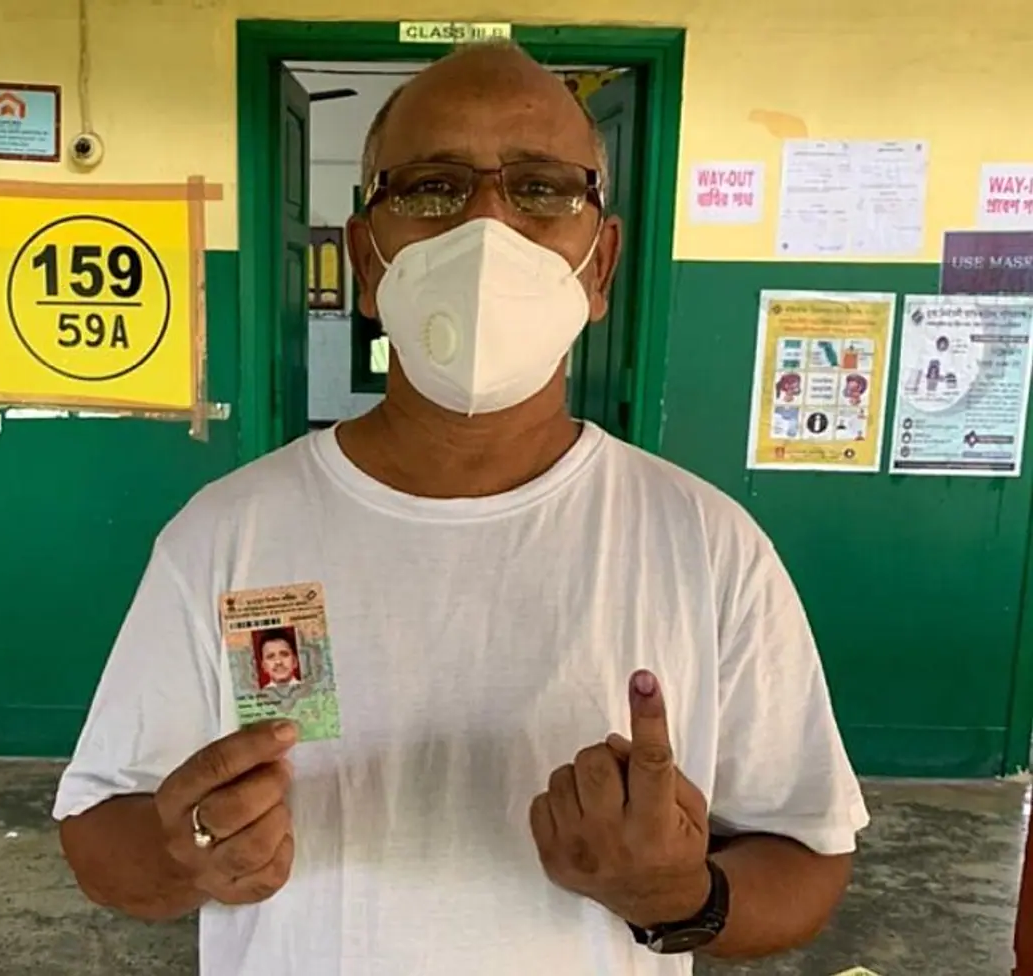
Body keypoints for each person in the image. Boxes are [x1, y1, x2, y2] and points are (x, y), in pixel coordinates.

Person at [54, 40, 868, 976]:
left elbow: (808, 856)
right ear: (367, 259)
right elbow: (97, 835)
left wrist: (682, 898)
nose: (488, 223)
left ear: (601, 265)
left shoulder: (707, 546)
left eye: (542, 188)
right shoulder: (228, 534)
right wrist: (181, 854)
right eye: (433, 187)